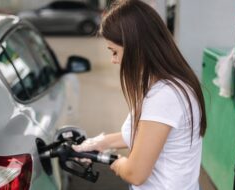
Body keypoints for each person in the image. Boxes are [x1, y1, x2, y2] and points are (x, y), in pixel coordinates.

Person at [73, 0, 207, 189]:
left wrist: (111, 160)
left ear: (136, 47)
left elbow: (135, 173)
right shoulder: (166, 84)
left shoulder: (164, 96)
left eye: (114, 52)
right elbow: (146, 135)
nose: (113, 60)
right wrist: (100, 143)